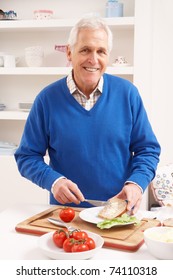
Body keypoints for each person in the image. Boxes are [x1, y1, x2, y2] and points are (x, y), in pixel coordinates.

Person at [14, 15, 161, 214]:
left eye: (101, 51)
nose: (93, 59)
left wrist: (136, 183)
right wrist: (54, 181)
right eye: (85, 50)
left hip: (119, 213)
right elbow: (27, 156)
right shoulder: (46, 99)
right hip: (66, 215)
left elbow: (148, 149)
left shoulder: (128, 94)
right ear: (69, 52)